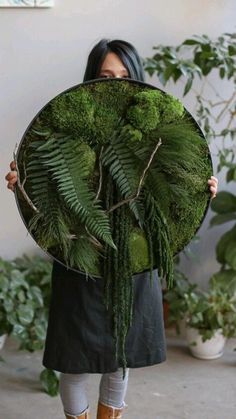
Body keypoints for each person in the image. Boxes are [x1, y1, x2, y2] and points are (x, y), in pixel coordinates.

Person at [5, 39, 218, 419]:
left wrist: (201, 187)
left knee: (119, 357)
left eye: (124, 76)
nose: (115, 83)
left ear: (137, 78)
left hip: (131, 259)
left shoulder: (157, 129)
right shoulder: (69, 124)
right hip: (79, 255)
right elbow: (47, 181)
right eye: (106, 76)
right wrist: (23, 180)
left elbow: (174, 191)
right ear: (92, 79)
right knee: (73, 361)